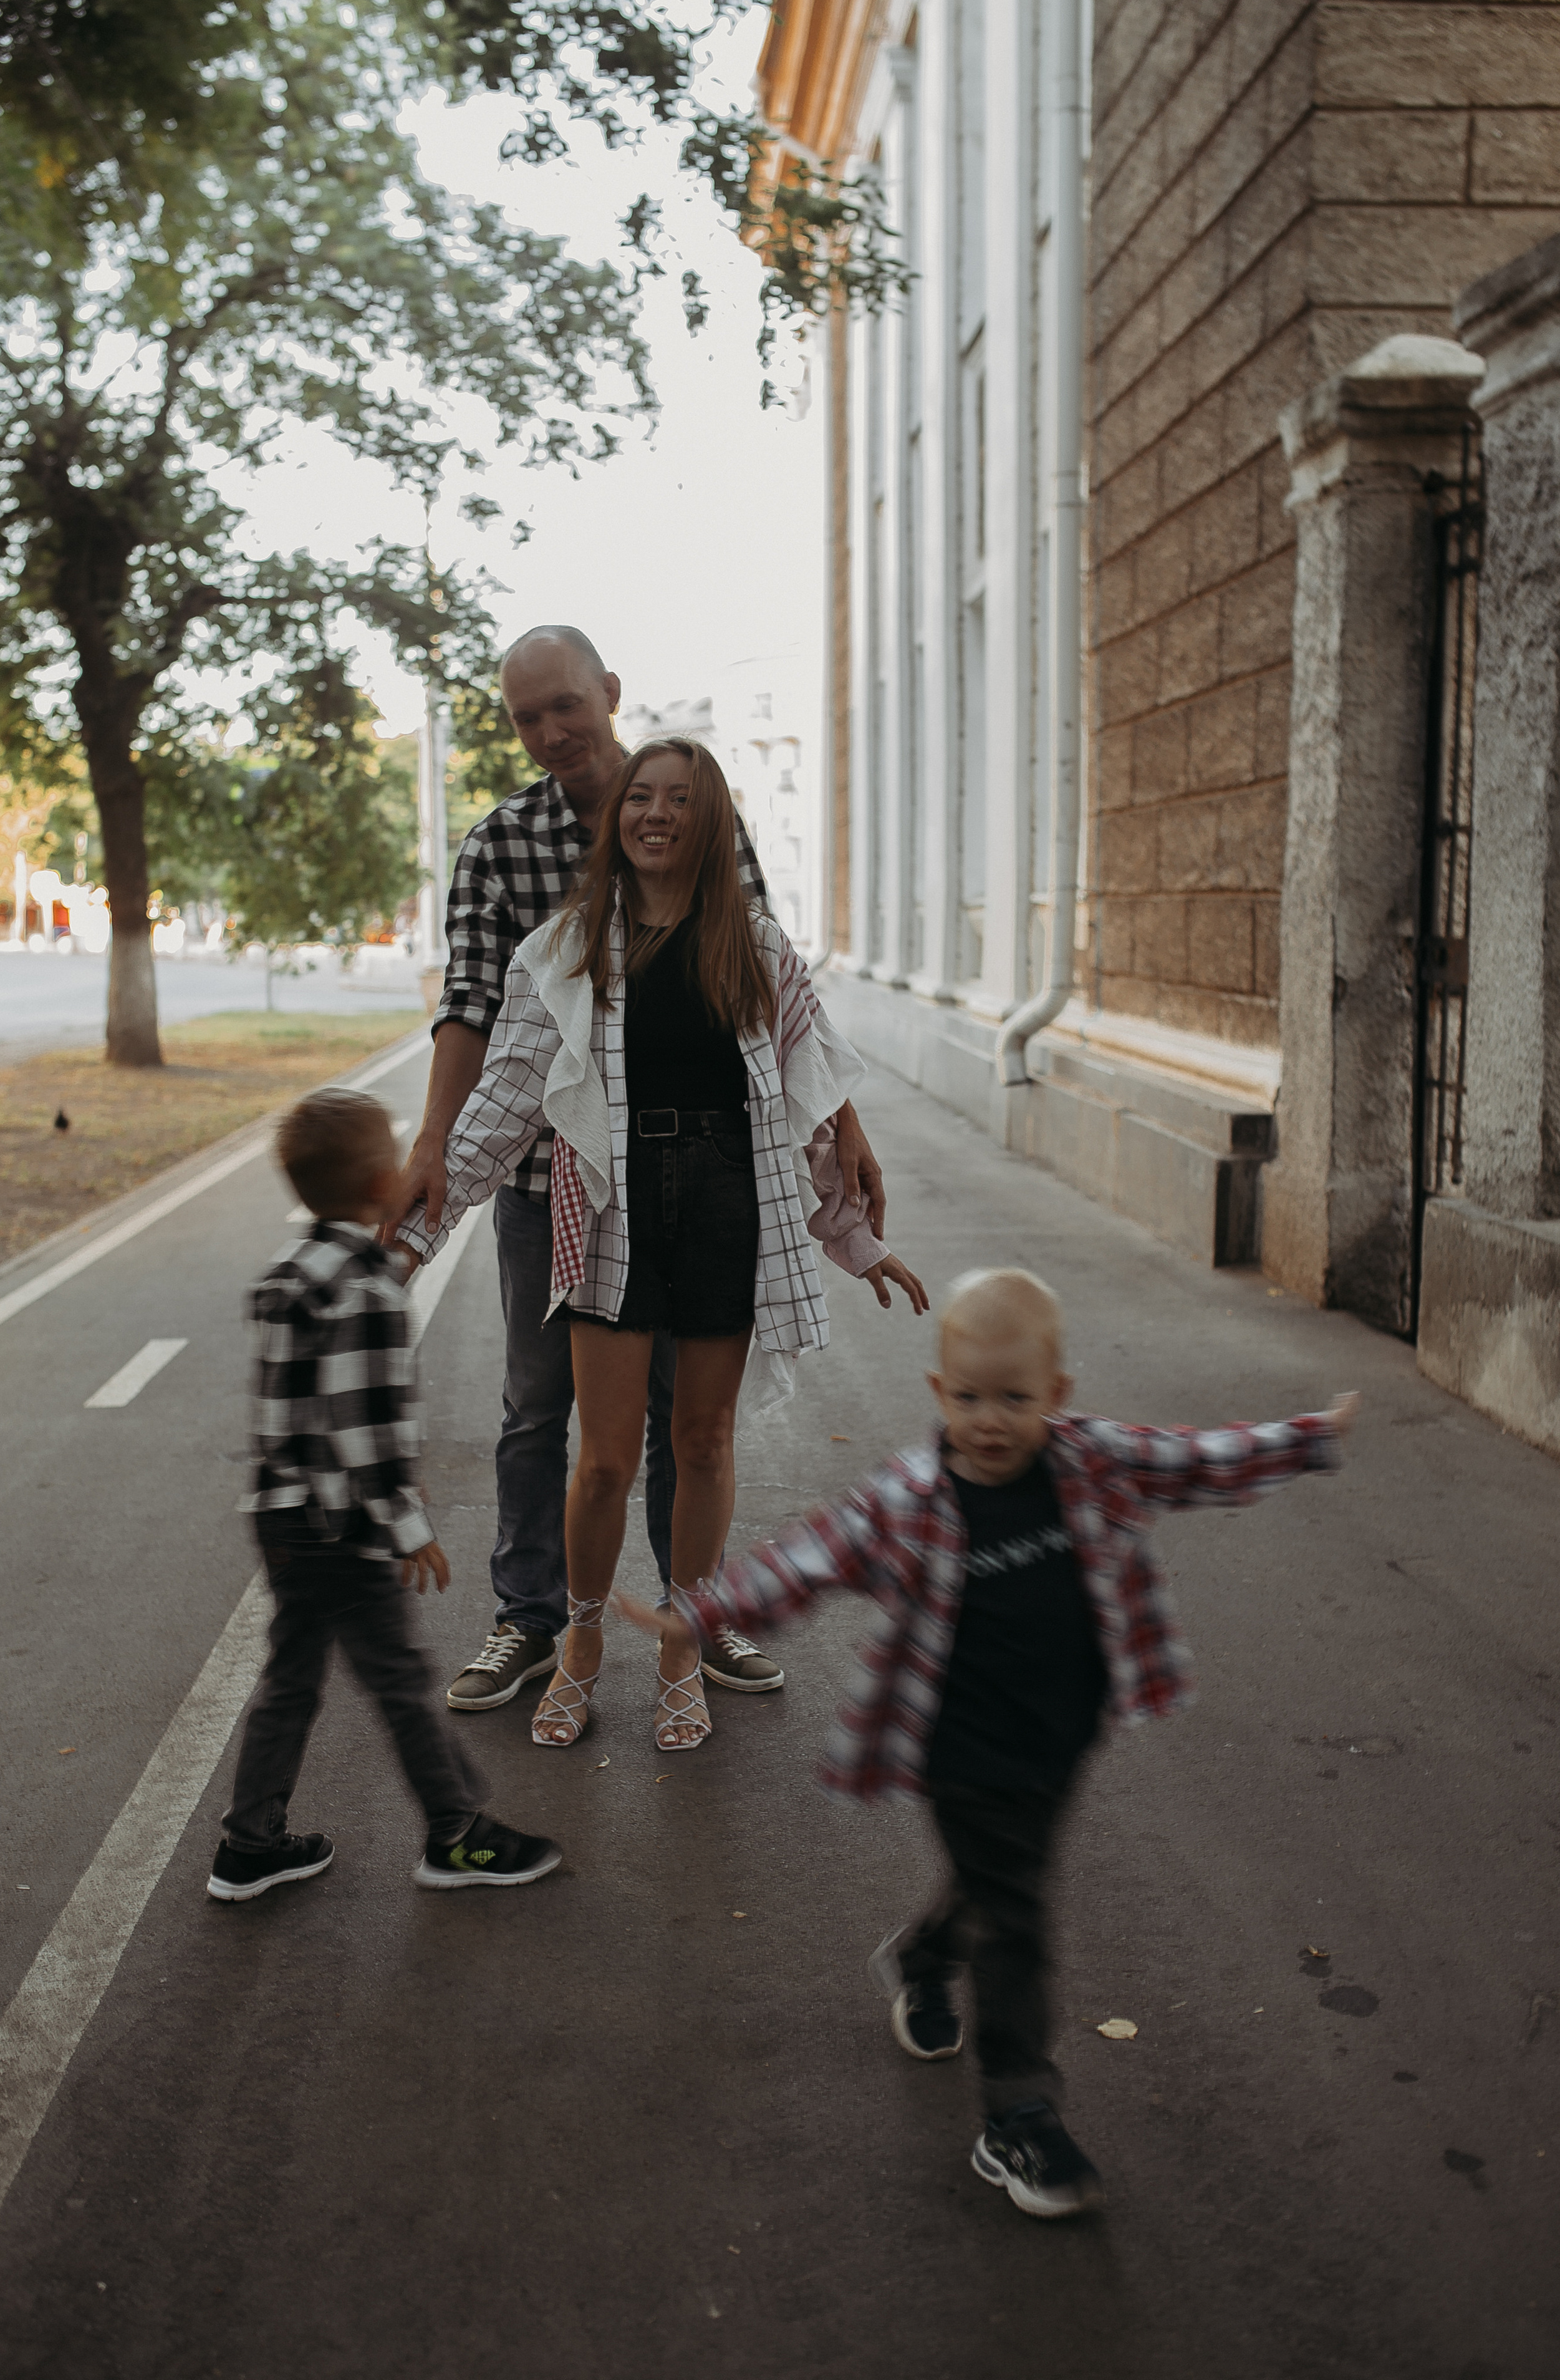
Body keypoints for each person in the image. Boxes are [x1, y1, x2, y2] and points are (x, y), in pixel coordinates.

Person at [620, 1267, 1357, 2215]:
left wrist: (1306, 1439)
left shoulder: (1093, 1459)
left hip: (1061, 1732)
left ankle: (926, 1959)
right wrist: (700, 1612)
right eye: (969, 1399)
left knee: (1001, 1880)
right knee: (1017, 1915)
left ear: (1056, 1393)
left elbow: (1195, 1461)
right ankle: (1018, 2116)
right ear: (940, 1392)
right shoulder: (912, 1497)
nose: (991, 1421)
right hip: (960, 1746)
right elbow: (810, 1557)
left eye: (1015, 1399)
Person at [382, 624, 889, 1718]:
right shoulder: (513, 863)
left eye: (565, 706)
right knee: (546, 1417)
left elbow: (782, 1021)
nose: (549, 731)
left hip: (717, 1202)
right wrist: (429, 1161)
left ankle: (688, 1622)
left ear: (608, 693)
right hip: (561, 1191)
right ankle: (535, 1623)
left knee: (693, 1430)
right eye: (527, 718)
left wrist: (843, 1134)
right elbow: (477, 1016)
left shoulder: (717, 851)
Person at [207, 1088, 561, 1904]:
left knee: (291, 1682)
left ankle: (248, 1845)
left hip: (283, 1519)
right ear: (379, 1185)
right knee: (400, 1680)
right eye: (399, 1158)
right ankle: (457, 1834)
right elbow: (360, 1423)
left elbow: (293, 1412)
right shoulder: (366, 1288)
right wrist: (406, 1524)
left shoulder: (288, 1274)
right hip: (342, 1525)